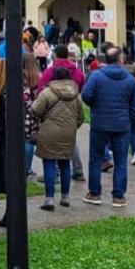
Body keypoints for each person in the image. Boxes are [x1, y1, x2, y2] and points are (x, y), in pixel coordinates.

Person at [81, 46, 135, 207]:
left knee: (95, 158)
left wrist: (95, 107)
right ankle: (118, 196)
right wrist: (129, 119)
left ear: (105, 60)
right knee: (121, 160)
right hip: (122, 125)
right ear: (120, 59)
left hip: (99, 123)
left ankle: (94, 193)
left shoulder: (96, 77)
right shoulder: (129, 79)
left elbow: (86, 95)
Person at [31, 67, 82, 211]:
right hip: (68, 133)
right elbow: (81, 117)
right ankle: (65, 197)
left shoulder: (47, 93)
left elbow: (35, 110)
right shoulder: (76, 95)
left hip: (48, 132)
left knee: (49, 164)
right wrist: (71, 127)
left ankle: (49, 199)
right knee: (65, 164)